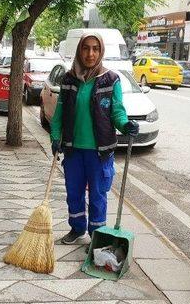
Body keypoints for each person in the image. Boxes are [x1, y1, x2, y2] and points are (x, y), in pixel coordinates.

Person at [50, 32, 139, 245]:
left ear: (101, 52)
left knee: (98, 195)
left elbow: (117, 111)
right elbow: (59, 113)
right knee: (74, 192)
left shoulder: (111, 79)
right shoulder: (69, 79)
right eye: (86, 48)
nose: (90, 53)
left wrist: (126, 124)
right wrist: (55, 137)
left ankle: (97, 234)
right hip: (73, 149)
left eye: (95, 49)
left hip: (100, 151)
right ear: (80, 50)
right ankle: (77, 228)